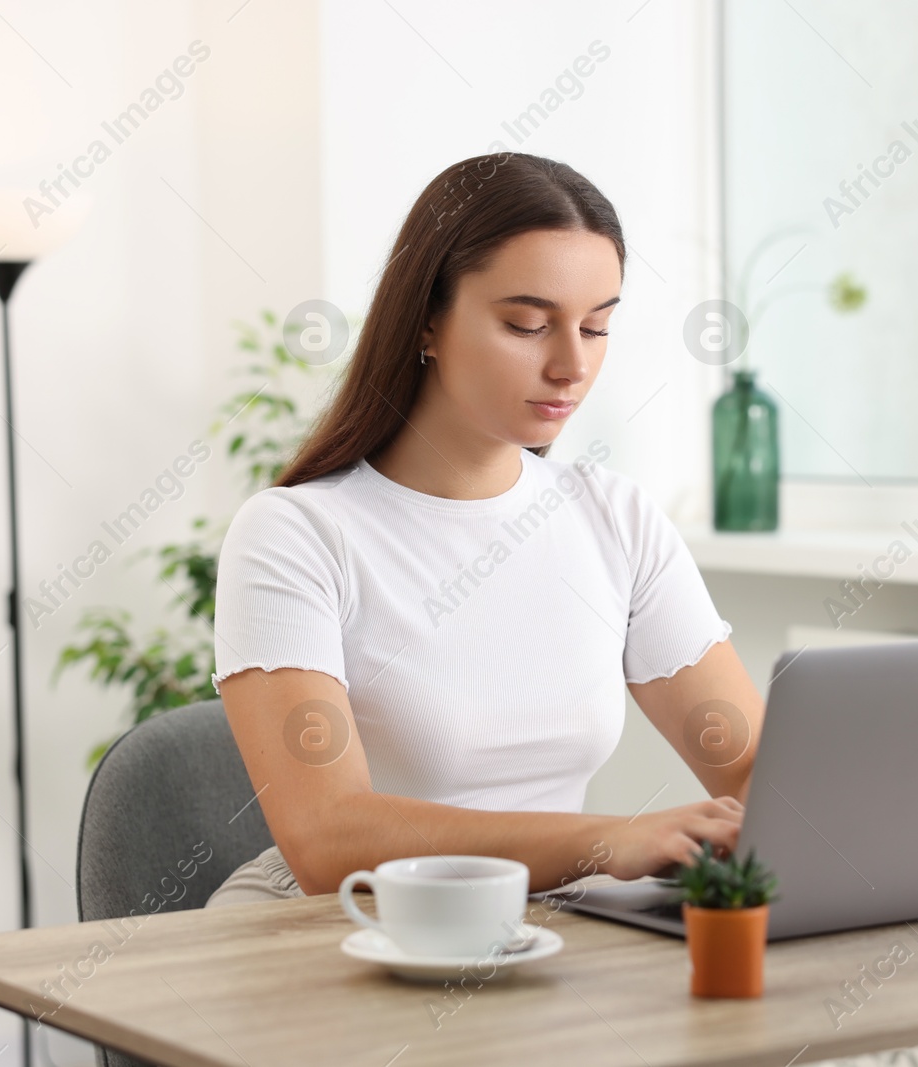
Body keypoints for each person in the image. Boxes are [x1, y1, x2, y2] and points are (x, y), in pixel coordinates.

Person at [205, 152, 764, 907]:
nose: (571, 364)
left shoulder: (613, 517)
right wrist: (606, 842)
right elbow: (326, 839)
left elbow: (753, 768)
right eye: (528, 324)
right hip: (346, 930)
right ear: (427, 321)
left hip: (546, 923)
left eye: (597, 327)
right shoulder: (297, 534)